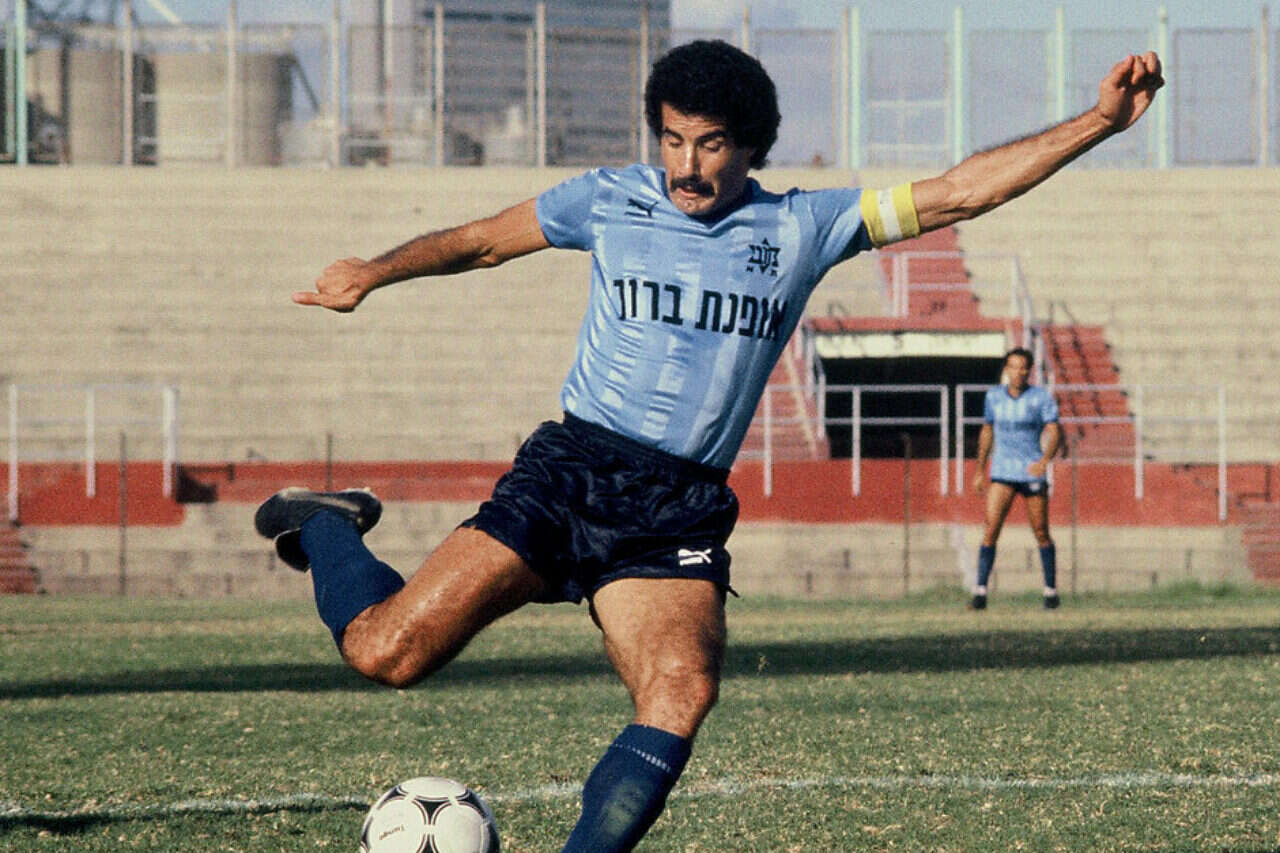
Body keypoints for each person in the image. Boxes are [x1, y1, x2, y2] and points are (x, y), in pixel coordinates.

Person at [254, 40, 1162, 852]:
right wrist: (373, 271)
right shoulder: (607, 198)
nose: (687, 167)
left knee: (680, 690)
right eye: (674, 139)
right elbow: (482, 242)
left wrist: (1099, 122)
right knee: (387, 653)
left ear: (751, 146)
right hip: (571, 473)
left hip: (677, 506)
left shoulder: (804, 226)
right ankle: (327, 522)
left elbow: (964, 191)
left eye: (712, 144)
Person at [969, 348, 1064, 610]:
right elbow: (987, 430)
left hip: (1030, 471)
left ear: (1029, 371)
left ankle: (1051, 592)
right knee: (991, 529)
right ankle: (980, 593)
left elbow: (1055, 431)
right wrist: (980, 469)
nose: (1018, 372)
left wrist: (1045, 460)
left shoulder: (1040, 397)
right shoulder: (994, 397)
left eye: (1023, 367)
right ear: (1006, 369)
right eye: (1013, 367)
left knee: (1041, 531)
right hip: (1002, 471)